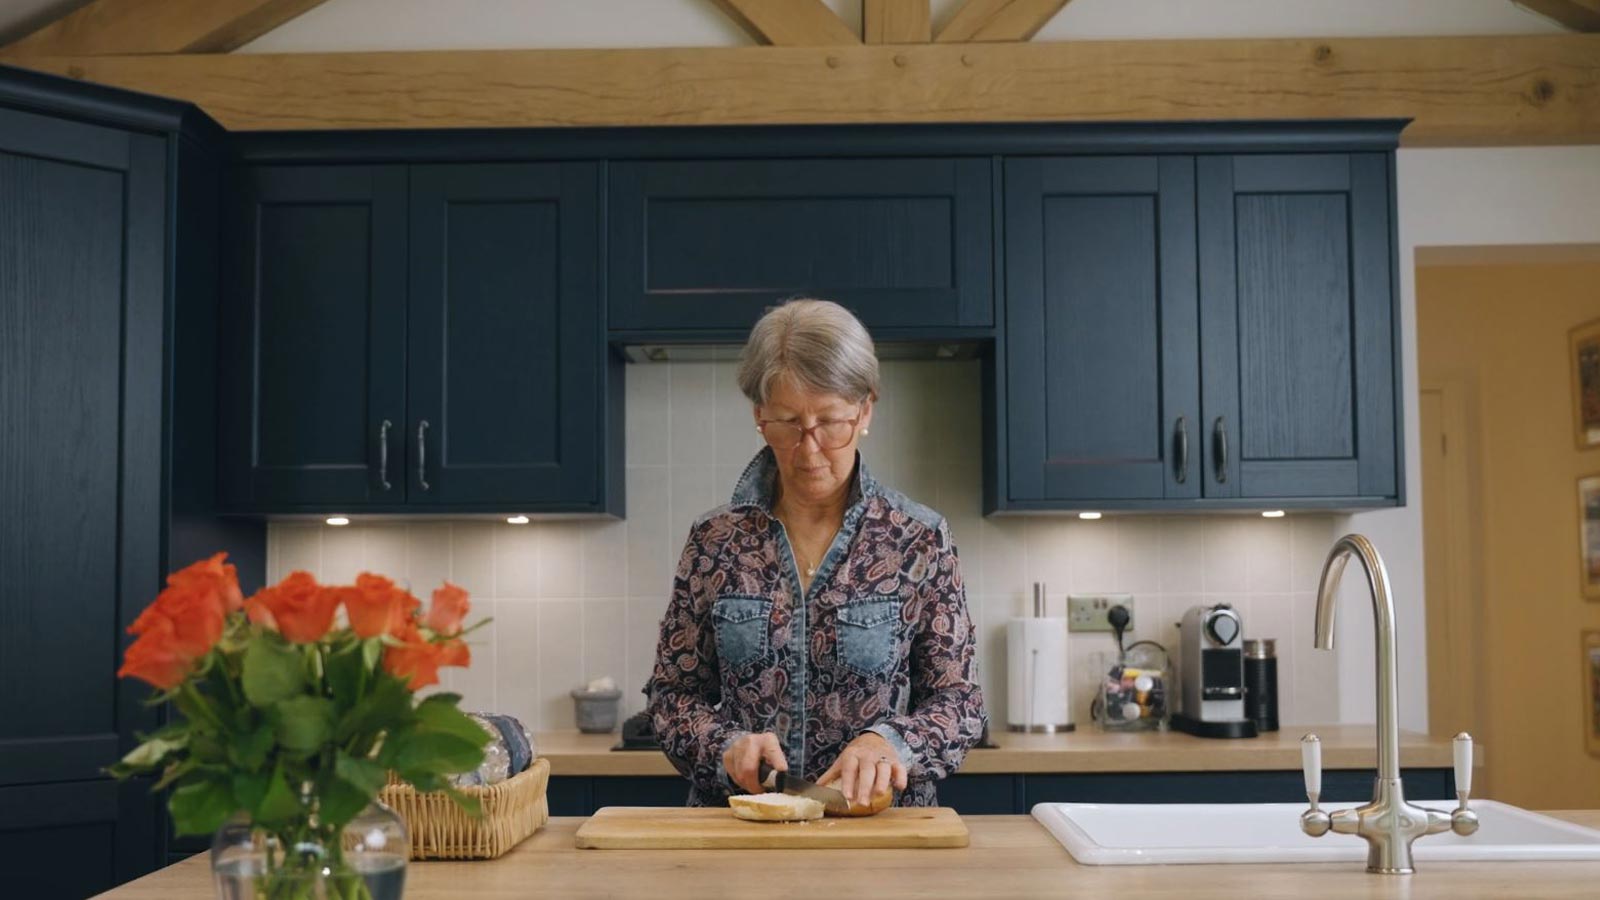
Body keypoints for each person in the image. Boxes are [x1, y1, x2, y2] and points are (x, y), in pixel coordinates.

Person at [647, 298, 986, 808]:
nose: (808, 450)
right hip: (741, 833)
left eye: (830, 422)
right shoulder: (715, 541)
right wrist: (725, 745)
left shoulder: (918, 538)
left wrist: (888, 743)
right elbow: (672, 697)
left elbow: (961, 703)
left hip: (881, 841)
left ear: (865, 408)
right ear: (759, 414)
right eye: (787, 423)